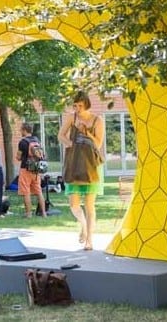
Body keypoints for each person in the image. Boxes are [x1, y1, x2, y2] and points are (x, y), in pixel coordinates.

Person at [57, 91, 105, 250]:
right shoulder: (71, 118)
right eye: (75, 105)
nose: (77, 109)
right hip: (74, 164)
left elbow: (98, 144)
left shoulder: (98, 120)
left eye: (80, 106)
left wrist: (87, 132)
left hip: (91, 166)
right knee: (74, 205)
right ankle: (83, 226)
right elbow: (60, 135)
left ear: (87, 105)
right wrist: (71, 144)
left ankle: (89, 239)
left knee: (90, 206)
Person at [15, 123, 47, 218]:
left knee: (26, 192)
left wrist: (19, 157)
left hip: (25, 168)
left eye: (21, 130)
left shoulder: (22, 142)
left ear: (25, 130)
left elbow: (18, 157)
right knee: (38, 191)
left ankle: (28, 214)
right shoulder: (37, 140)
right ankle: (44, 213)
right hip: (36, 169)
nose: (21, 132)